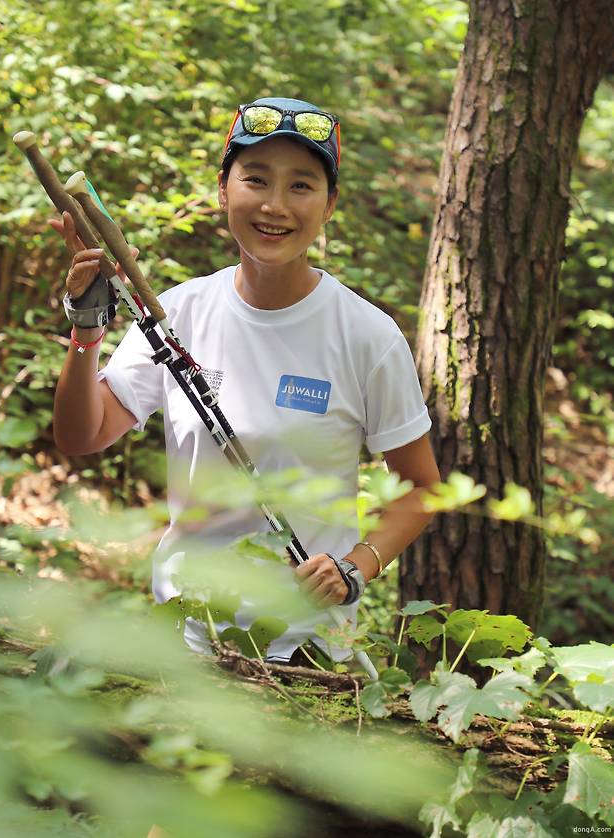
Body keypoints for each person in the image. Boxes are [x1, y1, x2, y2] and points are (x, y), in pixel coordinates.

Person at [50, 96, 440, 663]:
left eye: (301, 186)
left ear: (330, 204)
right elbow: (83, 435)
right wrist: (88, 328)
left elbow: (421, 489)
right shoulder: (177, 312)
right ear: (224, 189)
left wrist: (355, 568)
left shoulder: (367, 336)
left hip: (306, 651)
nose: (275, 205)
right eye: (256, 179)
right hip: (183, 637)